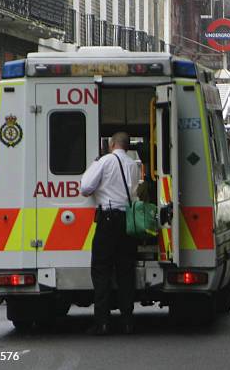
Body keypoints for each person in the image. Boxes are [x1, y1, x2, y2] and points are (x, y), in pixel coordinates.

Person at [80, 132, 140, 335]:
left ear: (111, 144)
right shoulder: (134, 165)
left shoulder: (105, 162)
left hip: (107, 220)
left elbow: (86, 188)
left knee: (101, 271)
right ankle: (127, 321)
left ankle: (102, 322)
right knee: (125, 272)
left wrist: (94, 165)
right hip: (127, 222)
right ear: (127, 146)